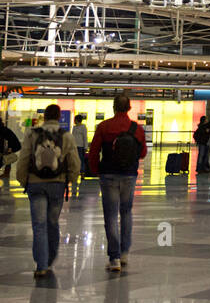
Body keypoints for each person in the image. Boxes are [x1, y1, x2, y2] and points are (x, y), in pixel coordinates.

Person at [15, 103, 80, 277]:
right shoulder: (66, 136)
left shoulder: (32, 134)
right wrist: (71, 179)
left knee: (39, 224)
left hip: (35, 184)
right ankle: (50, 259)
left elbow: (24, 158)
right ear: (59, 117)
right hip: (57, 185)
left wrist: (23, 180)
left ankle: (41, 264)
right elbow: (74, 161)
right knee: (52, 222)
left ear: (45, 117)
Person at [88, 95, 146, 272]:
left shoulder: (104, 126)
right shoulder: (137, 129)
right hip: (129, 175)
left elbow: (93, 152)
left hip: (108, 176)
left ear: (114, 107)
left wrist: (97, 170)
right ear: (129, 108)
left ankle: (114, 258)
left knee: (111, 216)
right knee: (126, 212)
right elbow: (142, 153)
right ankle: (125, 253)